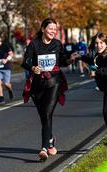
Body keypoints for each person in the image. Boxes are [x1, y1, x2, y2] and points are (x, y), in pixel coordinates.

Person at [21, 18, 77, 161]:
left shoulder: (57, 44)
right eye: (50, 28)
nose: (53, 31)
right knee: (44, 117)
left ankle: (44, 148)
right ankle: (50, 138)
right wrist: (33, 67)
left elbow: (63, 60)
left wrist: (70, 60)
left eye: (55, 29)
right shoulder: (34, 44)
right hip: (37, 86)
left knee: (47, 113)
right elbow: (25, 62)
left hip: (54, 83)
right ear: (43, 29)